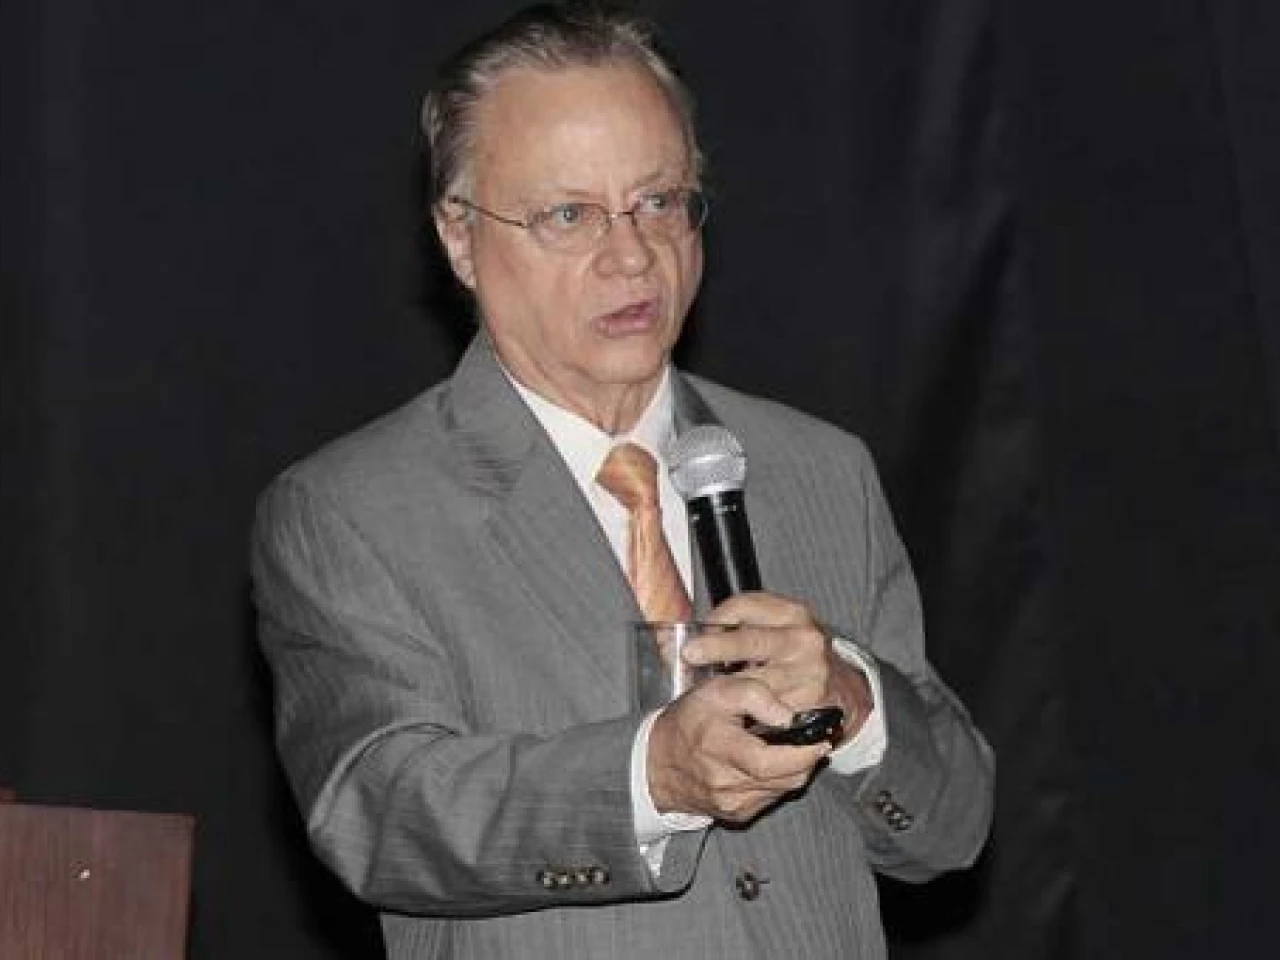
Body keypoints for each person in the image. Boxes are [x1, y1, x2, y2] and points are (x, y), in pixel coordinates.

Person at [250, 3, 995, 958]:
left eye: (660, 201)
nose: (633, 255)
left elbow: (953, 829)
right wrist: (652, 779)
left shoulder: (820, 468)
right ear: (460, 238)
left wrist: (856, 703)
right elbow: (377, 812)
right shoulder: (351, 511)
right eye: (570, 215)